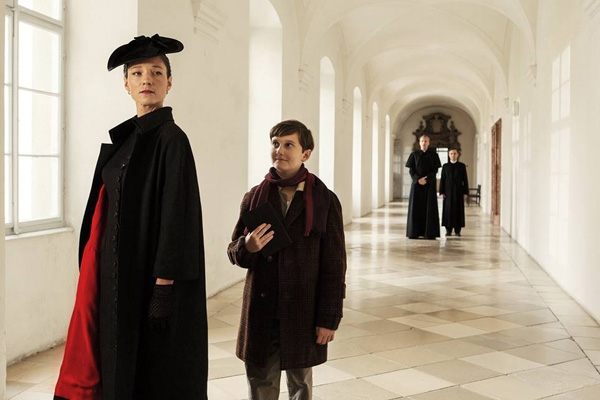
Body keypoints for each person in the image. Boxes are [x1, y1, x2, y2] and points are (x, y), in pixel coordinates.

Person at [54, 34, 208, 400]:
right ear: (126, 84)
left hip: (149, 279)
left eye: (156, 72)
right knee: (116, 361)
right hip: (117, 275)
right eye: (137, 73)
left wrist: (163, 287)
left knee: (155, 370)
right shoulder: (127, 140)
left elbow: (176, 216)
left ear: (169, 83)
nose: (146, 79)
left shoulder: (172, 139)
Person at [227, 120, 347, 400]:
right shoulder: (254, 197)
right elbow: (234, 252)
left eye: (288, 144)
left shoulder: (324, 201)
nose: (279, 150)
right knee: (260, 381)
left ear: (306, 153)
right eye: (275, 144)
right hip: (262, 308)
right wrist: (247, 246)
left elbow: (334, 266)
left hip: (303, 309)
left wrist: (329, 318)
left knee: (300, 382)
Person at [405, 134, 441, 239]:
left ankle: (429, 233)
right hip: (416, 185)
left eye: (425, 141)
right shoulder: (414, 155)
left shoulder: (434, 155)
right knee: (415, 208)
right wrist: (417, 179)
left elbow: (435, 170)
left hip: (429, 185)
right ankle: (414, 232)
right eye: (422, 141)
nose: (424, 143)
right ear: (419, 143)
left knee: (429, 208)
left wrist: (427, 179)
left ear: (429, 143)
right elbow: (411, 170)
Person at [439, 148, 469, 236]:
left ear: (457, 155)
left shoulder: (462, 166)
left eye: (455, 153)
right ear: (449, 155)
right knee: (448, 210)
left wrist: (465, 192)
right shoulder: (445, 166)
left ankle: (457, 231)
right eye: (451, 153)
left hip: (459, 192)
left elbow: (465, 180)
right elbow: (442, 180)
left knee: (458, 210)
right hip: (447, 192)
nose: (453, 155)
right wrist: (441, 192)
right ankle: (448, 230)